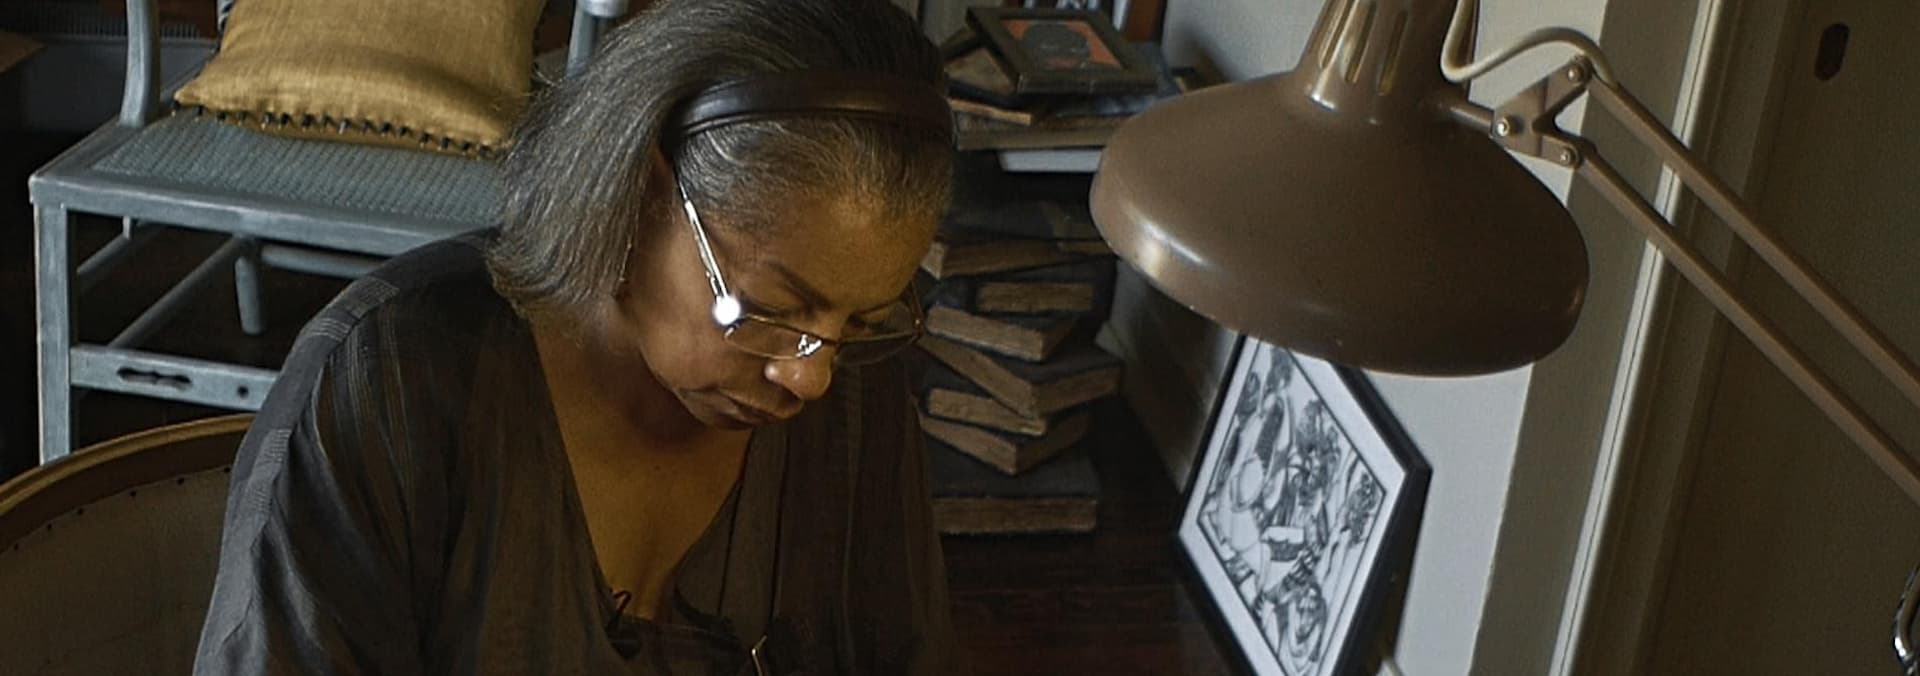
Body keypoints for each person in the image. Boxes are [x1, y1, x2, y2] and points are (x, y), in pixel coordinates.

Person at [191, 0, 961, 673]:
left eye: (861, 324)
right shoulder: (392, 381)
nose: (811, 376)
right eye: (770, 309)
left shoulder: (852, 394)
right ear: (643, 193)